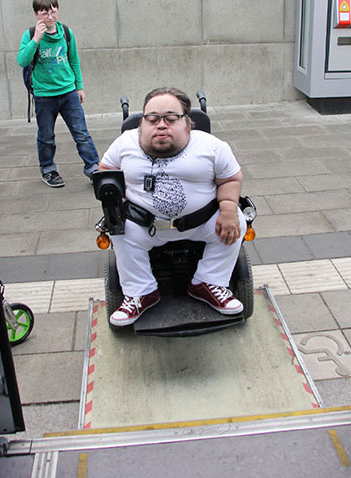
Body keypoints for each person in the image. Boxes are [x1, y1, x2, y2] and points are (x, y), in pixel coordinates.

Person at [98, 87, 247, 326]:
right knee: (118, 226)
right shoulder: (124, 143)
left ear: (188, 123)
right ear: (142, 123)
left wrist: (228, 209)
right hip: (143, 225)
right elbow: (105, 171)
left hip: (201, 221)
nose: (161, 125)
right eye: (153, 118)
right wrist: (118, 200)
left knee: (237, 220)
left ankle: (209, 282)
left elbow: (230, 178)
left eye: (170, 118)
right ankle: (140, 292)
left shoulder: (212, 146)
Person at [17, 0, 99, 188]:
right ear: (37, 14)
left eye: (53, 11)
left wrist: (79, 87)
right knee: (46, 136)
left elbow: (74, 61)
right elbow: (22, 60)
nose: (50, 17)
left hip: (68, 93)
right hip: (44, 96)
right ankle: (48, 169)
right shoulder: (30, 35)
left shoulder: (67, 33)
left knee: (81, 133)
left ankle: (93, 168)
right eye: (45, 13)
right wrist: (36, 39)